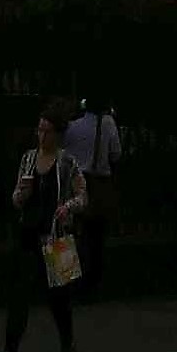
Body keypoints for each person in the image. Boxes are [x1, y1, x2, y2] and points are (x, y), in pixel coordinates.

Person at [6, 101, 85, 352]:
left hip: (56, 236)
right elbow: (16, 199)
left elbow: (82, 196)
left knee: (59, 298)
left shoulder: (67, 162)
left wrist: (67, 207)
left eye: (47, 131)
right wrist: (21, 195)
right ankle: (10, 350)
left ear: (58, 134)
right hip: (29, 233)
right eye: (39, 130)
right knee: (19, 294)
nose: (42, 136)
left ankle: (68, 342)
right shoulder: (28, 159)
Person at [60, 103, 121, 296]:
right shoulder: (107, 122)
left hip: (72, 180)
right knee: (94, 235)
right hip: (96, 183)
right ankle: (90, 284)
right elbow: (116, 154)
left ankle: (65, 281)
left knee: (66, 230)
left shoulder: (70, 126)